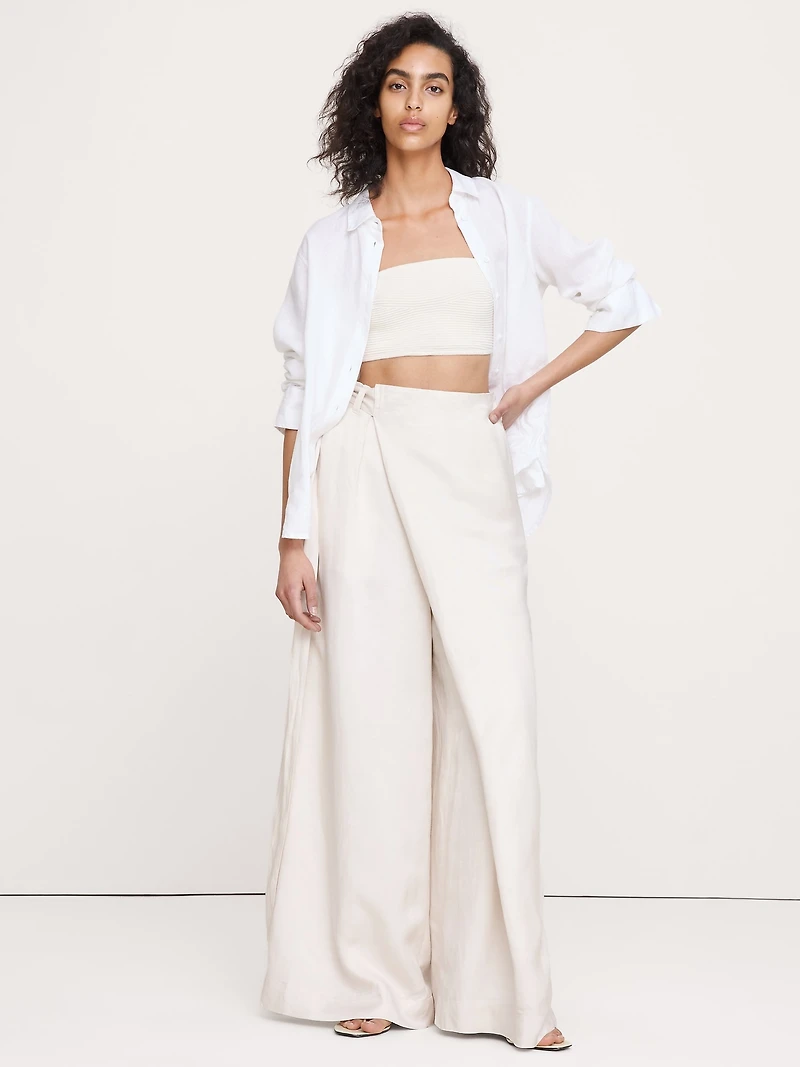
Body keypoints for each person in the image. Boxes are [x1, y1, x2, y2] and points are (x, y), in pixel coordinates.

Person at [260, 12, 660, 1052]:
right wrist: (292, 536)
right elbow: (300, 393)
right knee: (373, 715)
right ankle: (374, 973)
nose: (414, 103)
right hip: (361, 465)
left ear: (455, 106)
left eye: (434, 86)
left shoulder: (502, 216)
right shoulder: (333, 240)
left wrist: (529, 384)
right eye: (397, 84)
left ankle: (503, 992)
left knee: (493, 715)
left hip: (468, 468)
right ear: (372, 103)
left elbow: (621, 297)